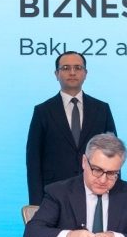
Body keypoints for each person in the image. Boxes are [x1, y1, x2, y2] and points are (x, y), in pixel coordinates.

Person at [24, 133, 127, 237]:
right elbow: (32, 232)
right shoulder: (59, 192)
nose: (103, 180)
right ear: (84, 162)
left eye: (111, 173)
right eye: (97, 170)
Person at [26, 51, 117, 205]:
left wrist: (114, 196)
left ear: (86, 73)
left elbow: (113, 154)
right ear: (56, 74)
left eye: (78, 68)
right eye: (66, 68)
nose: (72, 72)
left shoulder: (101, 109)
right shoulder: (43, 111)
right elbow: (33, 160)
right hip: (54, 193)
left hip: (95, 190)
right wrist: (36, 204)